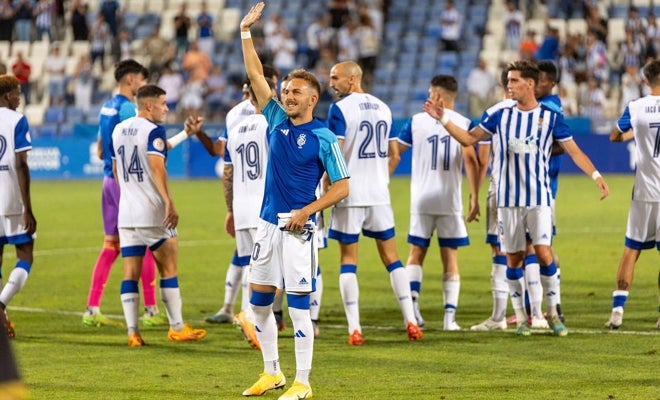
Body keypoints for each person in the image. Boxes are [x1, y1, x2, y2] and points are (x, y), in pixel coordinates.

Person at [425, 60, 609, 336]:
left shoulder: (549, 116)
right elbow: (467, 139)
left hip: (539, 199)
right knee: (513, 260)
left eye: (513, 81)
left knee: (545, 254)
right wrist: (442, 119)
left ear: (530, 84)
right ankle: (522, 318)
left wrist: (596, 175)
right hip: (508, 201)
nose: (508, 86)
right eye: (508, 81)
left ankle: (553, 313)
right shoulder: (499, 113)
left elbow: (574, 151)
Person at [239, 3, 349, 399]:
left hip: (297, 227)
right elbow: (255, 74)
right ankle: (273, 373)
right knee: (259, 304)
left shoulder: (324, 137)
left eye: (295, 91)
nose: (287, 95)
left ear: (313, 98)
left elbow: (342, 187)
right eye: (285, 90)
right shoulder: (274, 119)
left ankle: (303, 381)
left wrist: (308, 210)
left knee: (300, 308)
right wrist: (245, 32)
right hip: (267, 224)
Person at [326, 60, 423, 345]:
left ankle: (354, 328)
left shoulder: (340, 109)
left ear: (352, 79)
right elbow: (395, 154)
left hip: (350, 194)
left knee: (348, 260)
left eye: (336, 78)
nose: (331, 83)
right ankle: (411, 321)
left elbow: (336, 153)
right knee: (392, 258)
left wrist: (325, 188)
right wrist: (381, 178)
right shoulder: (384, 107)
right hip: (379, 196)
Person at [110, 84, 207, 346]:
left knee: (130, 272)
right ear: (149, 105)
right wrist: (169, 202)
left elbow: (117, 168)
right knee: (169, 268)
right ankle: (176, 327)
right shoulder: (154, 130)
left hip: (127, 213)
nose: (167, 108)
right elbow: (157, 167)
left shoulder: (119, 130)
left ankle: (132, 332)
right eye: (163, 103)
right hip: (153, 213)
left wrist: (186, 134)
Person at [82, 60, 168, 328]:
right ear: (131, 80)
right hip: (125, 184)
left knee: (111, 245)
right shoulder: (130, 108)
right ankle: (151, 309)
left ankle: (92, 308)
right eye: (142, 80)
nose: (145, 86)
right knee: (142, 244)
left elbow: (99, 150)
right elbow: (140, 147)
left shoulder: (107, 107)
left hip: (108, 181)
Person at [396, 74, 480, 330]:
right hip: (449, 200)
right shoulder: (464, 123)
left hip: (420, 199)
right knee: (450, 258)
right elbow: (471, 160)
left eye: (431, 92)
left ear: (437, 95)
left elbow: (395, 153)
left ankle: (413, 315)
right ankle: (449, 319)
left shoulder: (415, 121)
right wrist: (474, 196)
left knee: (415, 254)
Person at [196, 80, 276, 351]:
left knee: (248, 265)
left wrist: (230, 209)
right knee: (269, 269)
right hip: (265, 207)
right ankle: (252, 317)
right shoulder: (272, 126)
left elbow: (228, 174)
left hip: (242, 207)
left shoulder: (236, 129)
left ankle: (246, 316)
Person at [606, 59, 660, 330]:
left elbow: (614, 136)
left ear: (646, 80)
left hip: (644, 192)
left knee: (631, 250)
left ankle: (617, 313)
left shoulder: (636, 107)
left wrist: (636, 135)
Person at [0, 75, 36, 339]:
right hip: (11, 199)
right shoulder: (16, 119)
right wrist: (28, 208)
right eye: (18, 92)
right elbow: (21, 163)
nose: (20, 97)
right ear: (8, 95)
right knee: (25, 255)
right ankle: (0, 306)